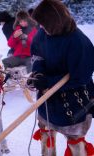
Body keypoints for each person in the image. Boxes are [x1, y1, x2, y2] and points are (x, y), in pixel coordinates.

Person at [27, 0, 94, 155]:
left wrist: (49, 82)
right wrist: (38, 74)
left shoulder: (79, 42)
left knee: (75, 145)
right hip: (47, 100)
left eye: (43, 24)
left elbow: (80, 78)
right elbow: (37, 56)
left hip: (73, 102)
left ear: (54, 22)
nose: (40, 27)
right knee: (46, 137)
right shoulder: (42, 33)